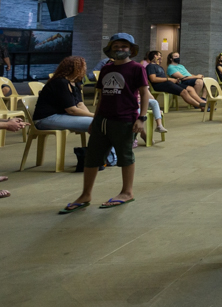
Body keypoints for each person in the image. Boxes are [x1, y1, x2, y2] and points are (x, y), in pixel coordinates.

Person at [59, 33, 150, 214]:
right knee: (92, 157)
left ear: (131, 50)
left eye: (124, 46)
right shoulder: (107, 69)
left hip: (125, 119)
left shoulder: (136, 68)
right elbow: (101, 96)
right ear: (110, 49)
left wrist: (141, 118)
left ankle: (127, 192)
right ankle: (85, 194)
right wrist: (95, 119)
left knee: (125, 156)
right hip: (102, 120)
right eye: (116, 46)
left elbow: (145, 93)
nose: (120, 49)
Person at [33, 56, 94, 133]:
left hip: (61, 115)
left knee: (100, 123)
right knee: (97, 124)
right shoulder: (60, 82)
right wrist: (95, 116)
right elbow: (72, 110)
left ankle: (101, 145)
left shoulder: (75, 82)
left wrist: (90, 115)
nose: (85, 69)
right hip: (45, 119)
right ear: (75, 69)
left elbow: (80, 104)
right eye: (83, 67)